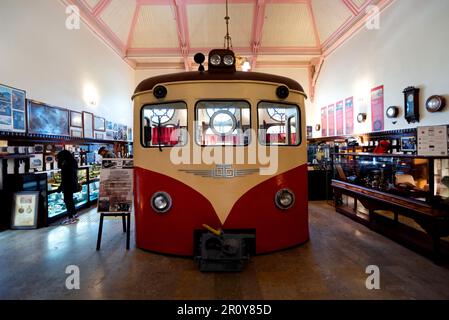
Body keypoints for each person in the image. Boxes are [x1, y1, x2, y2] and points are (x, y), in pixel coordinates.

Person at [56, 150, 79, 225]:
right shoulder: (73, 162)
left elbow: (65, 177)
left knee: (67, 201)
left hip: (67, 185)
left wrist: (60, 187)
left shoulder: (66, 164)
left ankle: (71, 218)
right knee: (70, 200)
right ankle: (74, 215)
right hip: (72, 184)